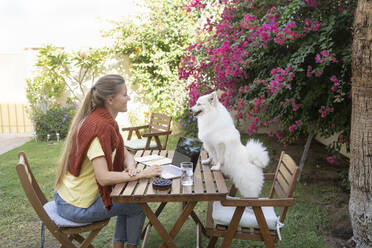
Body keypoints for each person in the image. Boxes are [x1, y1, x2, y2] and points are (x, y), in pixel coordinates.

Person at [54, 74, 162, 248]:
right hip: (75, 207)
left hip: (67, 197)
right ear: (110, 99)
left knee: (127, 198)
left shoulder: (104, 121)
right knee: (137, 204)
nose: (129, 98)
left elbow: (123, 150)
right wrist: (143, 174)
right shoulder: (100, 128)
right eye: (125, 94)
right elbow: (103, 178)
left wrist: (131, 166)